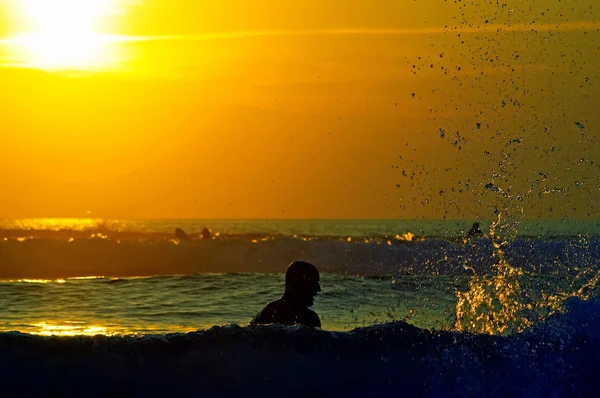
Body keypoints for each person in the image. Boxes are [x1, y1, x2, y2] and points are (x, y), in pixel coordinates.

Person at [251, 261, 322, 328]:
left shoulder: (311, 318)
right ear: (297, 283)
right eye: (313, 283)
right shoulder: (310, 319)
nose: (318, 289)